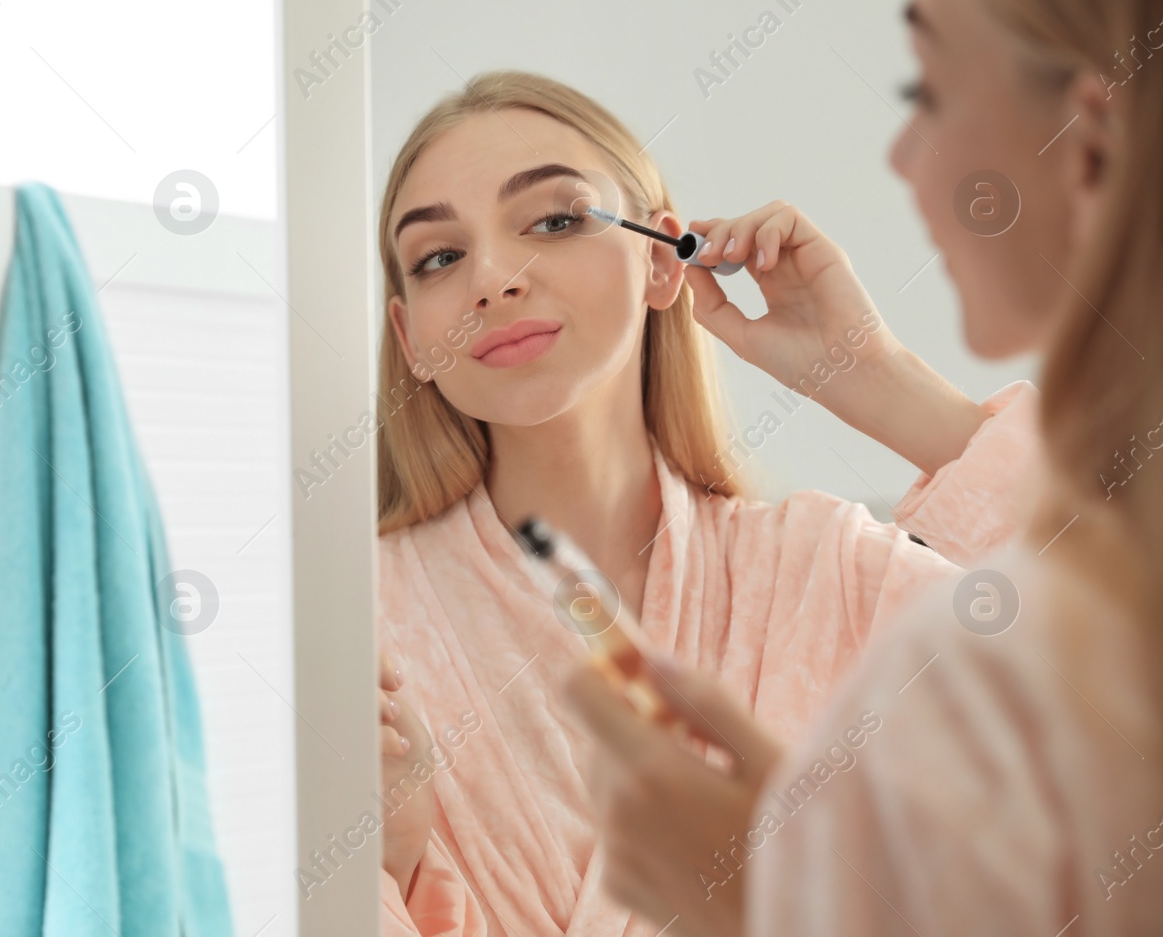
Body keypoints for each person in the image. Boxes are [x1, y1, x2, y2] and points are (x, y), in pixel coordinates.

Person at [564, 0, 1163, 933]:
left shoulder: (960, 647)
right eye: (433, 252)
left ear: (1089, 144)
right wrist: (868, 372)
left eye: (925, 94)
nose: (902, 159)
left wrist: (758, 899)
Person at [366, 71, 1046, 935]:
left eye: (554, 219)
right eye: (439, 257)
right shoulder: (350, 623)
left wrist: (871, 373)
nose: (492, 279)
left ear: (660, 259)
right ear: (411, 337)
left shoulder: (825, 573)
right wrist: (381, 864)